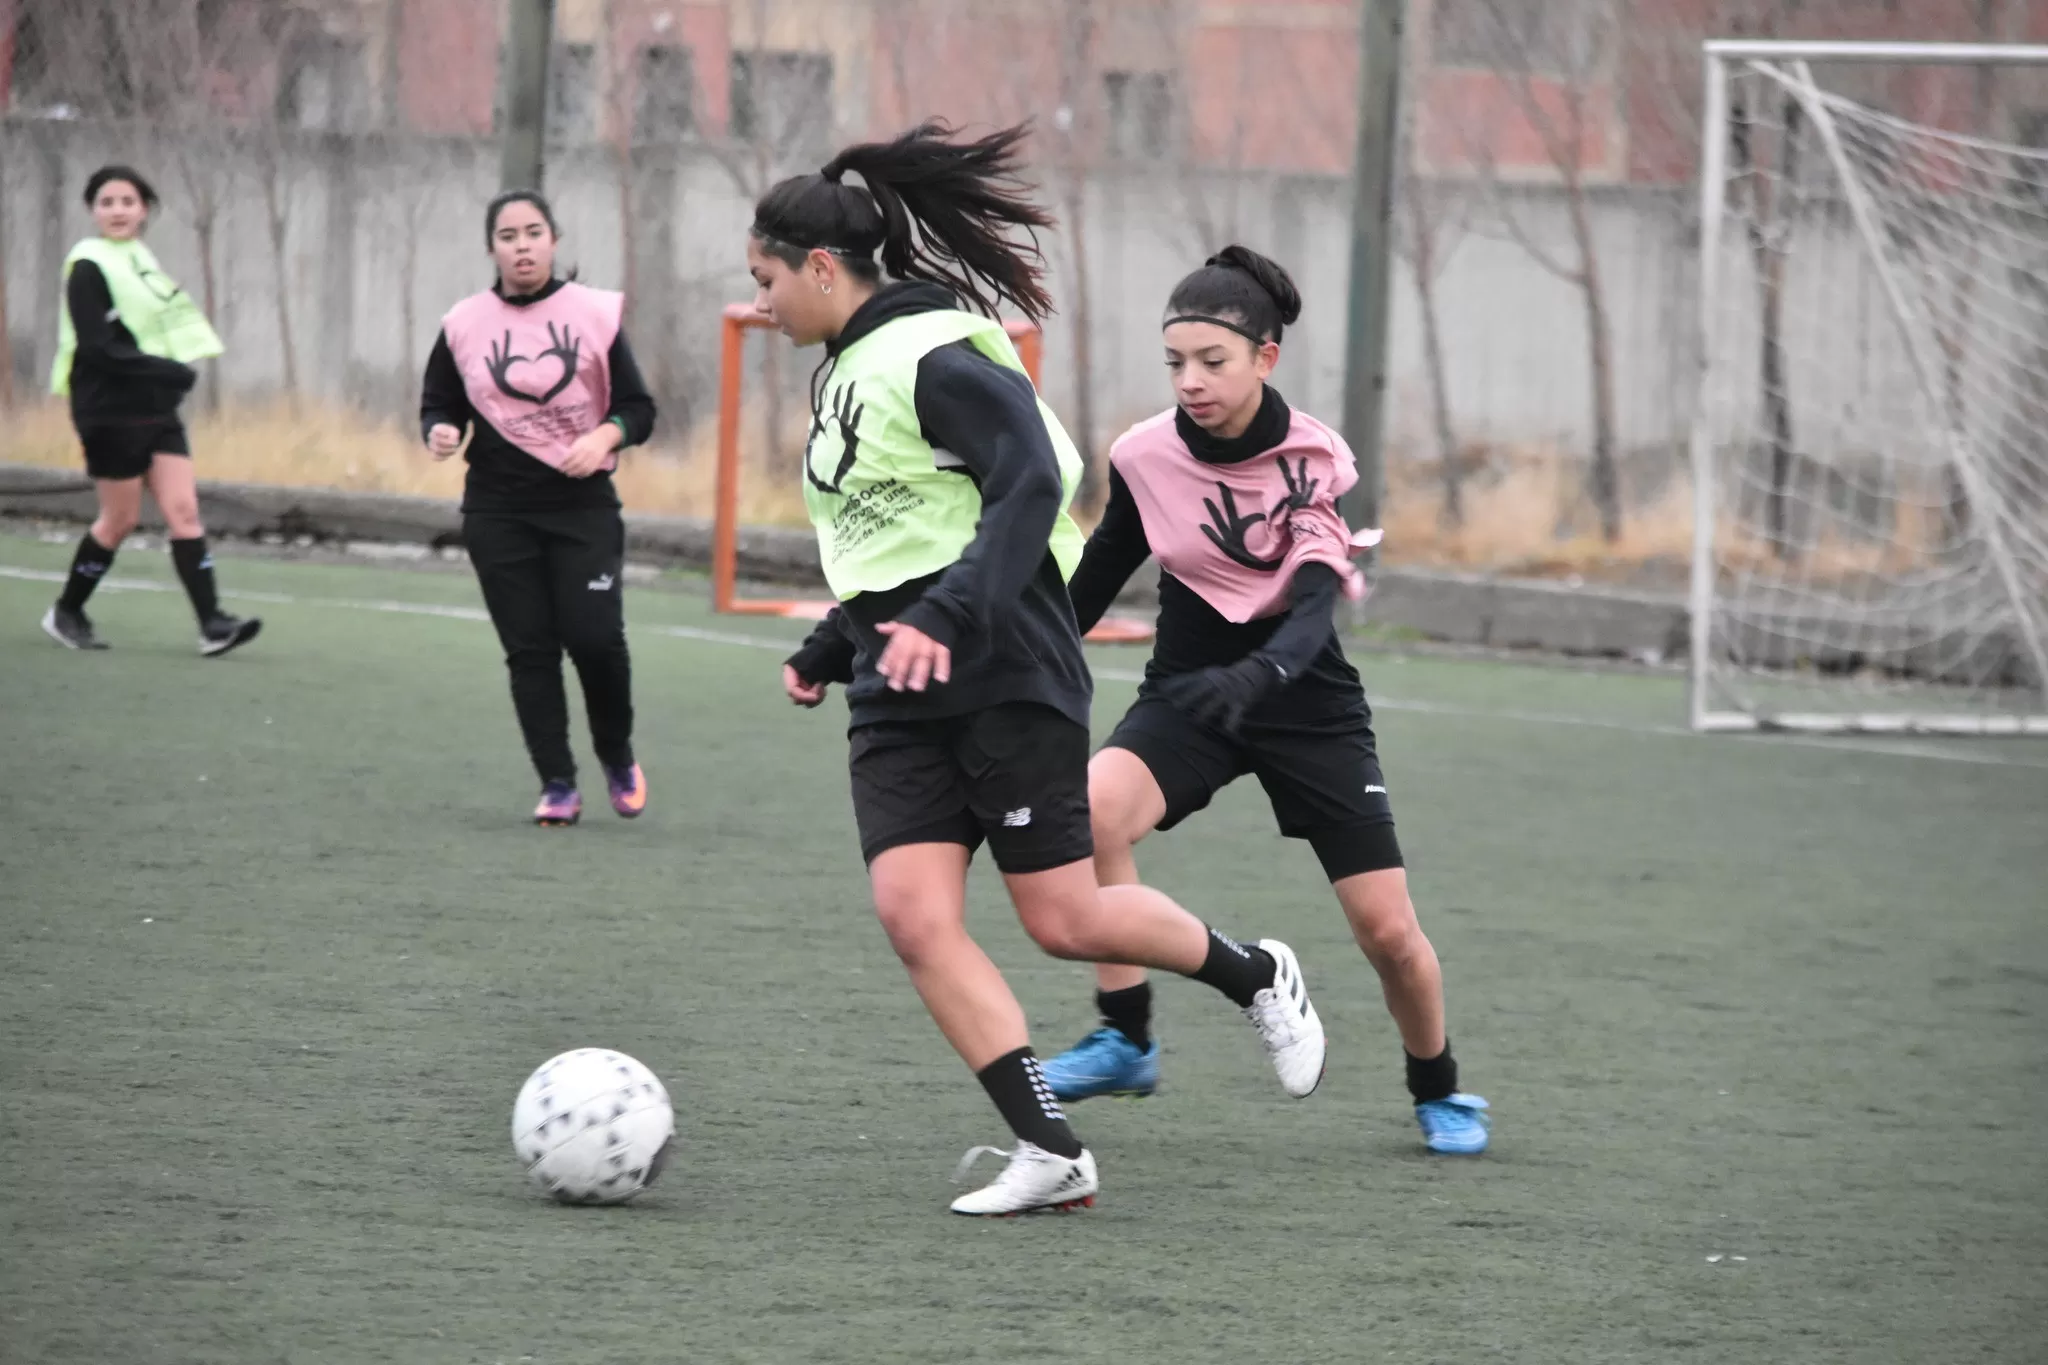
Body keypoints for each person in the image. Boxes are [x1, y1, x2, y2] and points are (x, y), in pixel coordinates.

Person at [760, 123, 1326, 1217]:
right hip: (898, 682)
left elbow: (1032, 480)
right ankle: (1051, 1150)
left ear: (820, 268)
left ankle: (1254, 971)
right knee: (912, 914)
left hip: (1006, 666)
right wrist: (833, 643)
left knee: (1064, 920)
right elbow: (900, 526)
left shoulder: (936, 353)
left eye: (765, 278)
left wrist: (948, 612)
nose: (760, 301)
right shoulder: (848, 368)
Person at [1038, 246, 1491, 1156]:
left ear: (1265, 358)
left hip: (1307, 705)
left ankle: (1437, 1085)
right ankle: (1126, 1036)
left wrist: (1264, 673)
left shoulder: (1312, 459)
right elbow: (1091, 582)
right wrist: (1017, 653)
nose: (1191, 381)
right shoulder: (1144, 454)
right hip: (1190, 699)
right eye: (1176, 362)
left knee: (1387, 931)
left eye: (1213, 361)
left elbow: (1316, 605)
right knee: (1089, 818)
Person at [419, 190, 656, 826]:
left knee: (595, 640)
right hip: (497, 513)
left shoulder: (594, 315)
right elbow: (439, 402)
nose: (521, 246)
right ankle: (557, 783)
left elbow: (638, 408)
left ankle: (616, 752)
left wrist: (604, 437)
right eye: (507, 236)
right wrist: (440, 430)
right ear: (491, 248)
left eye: (532, 232)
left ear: (554, 240)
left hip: (583, 508)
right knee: (530, 651)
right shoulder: (463, 324)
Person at [41, 164, 261, 656]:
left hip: (154, 408)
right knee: (118, 520)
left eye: (128, 202)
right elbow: (98, 347)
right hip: (108, 409)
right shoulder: (88, 265)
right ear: (92, 211)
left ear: (144, 210)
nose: (118, 211)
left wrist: (172, 372)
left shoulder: (141, 261)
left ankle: (212, 625)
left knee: (184, 511)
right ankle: (66, 611)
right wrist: (167, 371)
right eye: (107, 202)